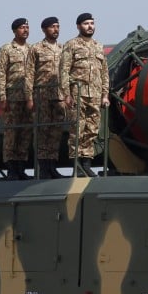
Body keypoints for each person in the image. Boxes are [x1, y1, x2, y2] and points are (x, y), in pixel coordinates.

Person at [58, 12, 109, 178]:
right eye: (86, 23)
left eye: (92, 23)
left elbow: (104, 73)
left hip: (94, 95)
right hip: (77, 94)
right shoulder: (71, 45)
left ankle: (86, 164)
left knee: (91, 130)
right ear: (79, 26)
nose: (90, 26)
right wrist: (66, 94)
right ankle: (76, 165)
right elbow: (64, 70)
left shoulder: (98, 46)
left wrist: (105, 95)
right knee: (77, 130)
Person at [26, 16, 66, 179]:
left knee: (55, 131)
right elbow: (28, 74)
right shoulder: (36, 49)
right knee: (43, 131)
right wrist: (29, 97)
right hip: (41, 95)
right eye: (52, 27)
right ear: (44, 29)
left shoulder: (63, 49)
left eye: (57, 26)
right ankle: (43, 168)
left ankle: (52, 166)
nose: (55, 29)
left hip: (58, 95)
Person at [0, 18, 32, 180]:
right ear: (15, 31)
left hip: (28, 97)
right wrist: (2, 97)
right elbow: (1, 74)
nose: (25, 30)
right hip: (12, 97)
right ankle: (11, 168)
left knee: (25, 132)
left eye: (27, 27)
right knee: (12, 132)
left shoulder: (32, 50)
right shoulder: (7, 49)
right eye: (22, 28)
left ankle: (21, 167)